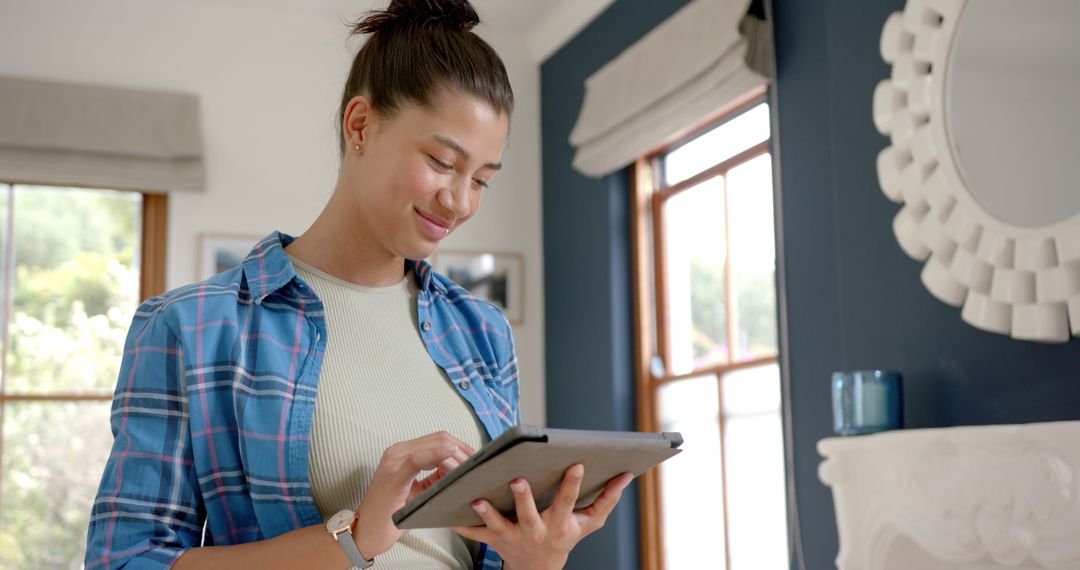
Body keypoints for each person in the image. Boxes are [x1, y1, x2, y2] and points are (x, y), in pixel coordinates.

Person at [84, 0, 633, 568]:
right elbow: (127, 560)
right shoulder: (192, 327)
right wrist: (353, 538)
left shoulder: (481, 330)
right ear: (361, 125)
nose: (460, 201)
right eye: (443, 162)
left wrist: (536, 558)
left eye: (482, 180)